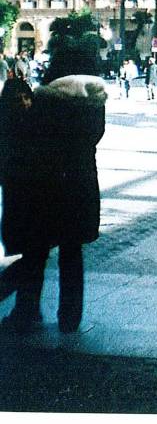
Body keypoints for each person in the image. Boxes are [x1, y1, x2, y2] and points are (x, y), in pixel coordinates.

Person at [9, 50, 107, 333]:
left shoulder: (46, 100)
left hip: (46, 186)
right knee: (72, 253)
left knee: (36, 251)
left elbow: (30, 139)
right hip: (81, 186)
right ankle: (70, 317)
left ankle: (27, 311)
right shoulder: (94, 102)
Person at [0, 78, 47, 331]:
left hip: (35, 202)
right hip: (22, 203)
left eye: (26, 97)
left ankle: (28, 309)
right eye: (18, 99)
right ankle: (25, 308)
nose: (24, 103)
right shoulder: (9, 129)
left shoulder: (34, 125)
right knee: (33, 258)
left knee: (35, 257)